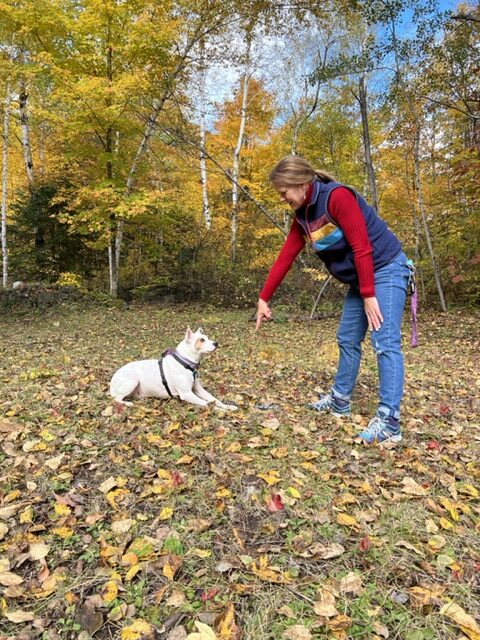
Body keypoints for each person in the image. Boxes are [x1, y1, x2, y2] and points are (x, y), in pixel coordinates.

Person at [255, 155, 411, 444]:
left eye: (283, 191)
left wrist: (369, 295)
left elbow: (362, 247)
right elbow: (285, 257)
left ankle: (390, 421)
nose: (282, 197)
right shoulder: (302, 216)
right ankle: (340, 400)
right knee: (347, 338)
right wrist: (264, 297)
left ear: (300, 183)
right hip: (361, 278)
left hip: (386, 269)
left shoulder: (337, 197)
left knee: (385, 341)